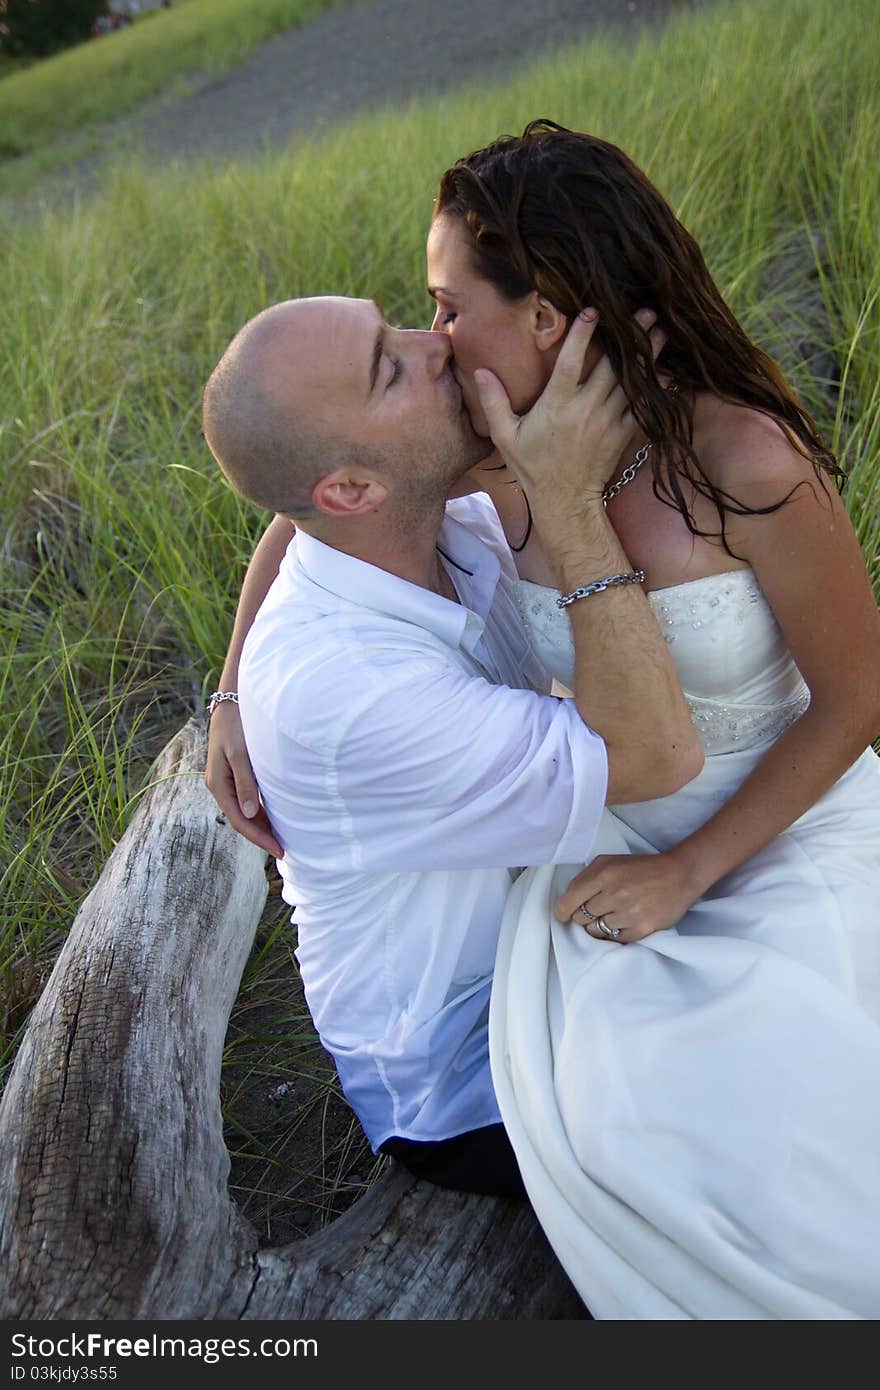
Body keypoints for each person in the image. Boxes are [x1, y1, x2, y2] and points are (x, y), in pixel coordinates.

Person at [207, 124, 880, 1318]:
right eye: (422, 316)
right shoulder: (493, 458)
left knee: (821, 1108)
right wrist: (230, 689)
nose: (437, 339)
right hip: (599, 858)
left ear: (553, 317)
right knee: (675, 1131)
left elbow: (857, 697)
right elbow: (306, 496)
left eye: (442, 306)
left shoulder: (742, 463)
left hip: (773, 829)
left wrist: (688, 867)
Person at [202, 295, 701, 1200]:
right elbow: (656, 756)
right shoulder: (348, 694)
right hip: (475, 1076)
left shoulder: (426, 513)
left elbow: (298, 499)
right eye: (391, 367)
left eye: (399, 322)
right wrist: (570, 504)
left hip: (565, 925)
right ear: (353, 492)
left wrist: (228, 685)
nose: (437, 345)